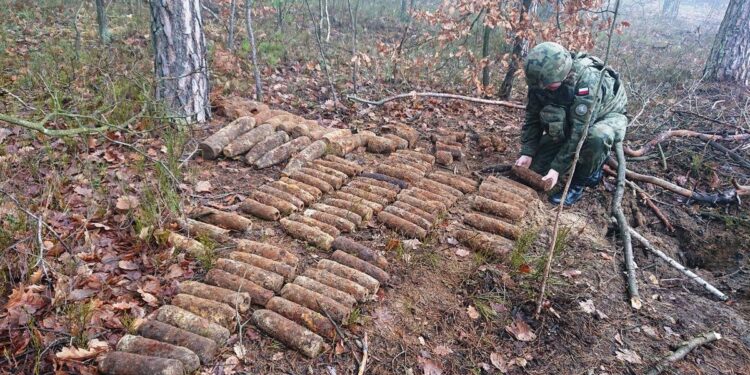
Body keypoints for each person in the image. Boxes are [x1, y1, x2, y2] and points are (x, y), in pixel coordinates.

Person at [515, 41, 628, 206]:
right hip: (573, 115)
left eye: (549, 86)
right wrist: (528, 152)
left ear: (563, 74)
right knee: (536, 169)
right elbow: (532, 117)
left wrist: (556, 170)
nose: (544, 89)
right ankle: (579, 159)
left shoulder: (587, 80)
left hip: (607, 115)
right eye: (541, 86)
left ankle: (580, 182)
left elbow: (579, 132)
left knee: (597, 136)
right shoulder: (540, 79)